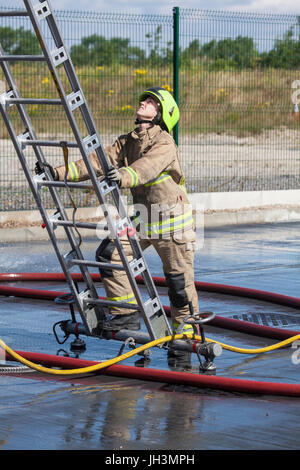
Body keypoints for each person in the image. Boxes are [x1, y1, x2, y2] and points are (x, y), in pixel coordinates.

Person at [39, 87, 199, 335]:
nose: (144, 102)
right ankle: (125, 315)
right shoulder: (128, 141)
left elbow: (146, 168)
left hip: (172, 224)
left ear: (162, 114)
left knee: (178, 284)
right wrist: (58, 173)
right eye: (144, 99)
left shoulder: (164, 143)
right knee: (110, 253)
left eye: (151, 102)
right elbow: (96, 161)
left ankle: (187, 334)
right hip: (144, 219)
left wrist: (122, 175)